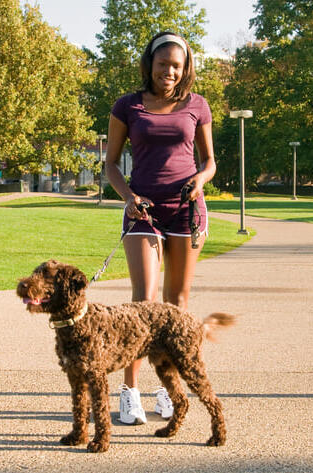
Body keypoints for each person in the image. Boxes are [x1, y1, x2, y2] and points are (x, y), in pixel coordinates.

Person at [105, 31, 216, 425]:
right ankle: (129, 392)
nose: (168, 71)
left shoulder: (196, 106)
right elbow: (111, 164)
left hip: (186, 210)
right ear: (149, 63)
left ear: (185, 69)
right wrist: (128, 197)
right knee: (143, 305)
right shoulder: (128, 106)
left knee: (177, 305)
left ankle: (169, 392)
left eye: (176, 65)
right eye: (162, 63)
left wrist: (200, 182)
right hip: (143, 211)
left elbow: (209, 162)